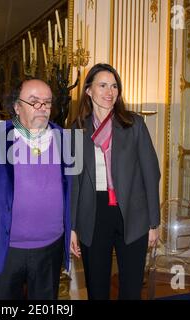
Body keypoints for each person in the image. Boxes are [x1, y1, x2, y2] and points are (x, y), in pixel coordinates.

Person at [69, 63, 160, 300]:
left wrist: (153, 222)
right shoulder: (77, 129)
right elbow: (73, 182)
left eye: (114, 86)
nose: (110, 91)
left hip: (133, 213)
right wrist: (71, 227)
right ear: (88, 90)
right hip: (93, 214)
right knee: (96, 290)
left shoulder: (133, 124)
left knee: (130, 290)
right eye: (102, 85)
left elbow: (151, 173)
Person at [0, 79, 71, 299]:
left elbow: (75, 190)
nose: (42, 108)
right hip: (7, 248)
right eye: (34, 102)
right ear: (17, 106)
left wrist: (74, 229)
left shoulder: (66, 139)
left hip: (50, 248)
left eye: (47, 102)